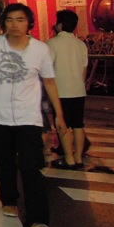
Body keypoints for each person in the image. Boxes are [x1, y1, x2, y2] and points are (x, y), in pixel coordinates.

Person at [0, 3, 67, 227]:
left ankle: (38, 220)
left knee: (30, 167)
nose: (15, 25)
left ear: (29, 23)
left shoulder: (41, 50)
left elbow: (50, 82)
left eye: (20, 20)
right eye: (11, 20)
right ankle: (9, 199)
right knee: (3, 162)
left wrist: (59, 114)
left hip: (29, 118)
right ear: (4, 23)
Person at [47, 9, 89, 170]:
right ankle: (78, 157)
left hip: (60, 91)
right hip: (78, 90)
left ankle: (69, 159)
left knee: (62, 124)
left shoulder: (52, 43)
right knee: (78, 124)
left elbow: (48, 69)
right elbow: (84, 70)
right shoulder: (81, 45)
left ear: (60, 25)